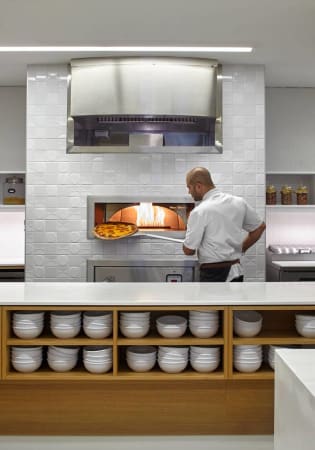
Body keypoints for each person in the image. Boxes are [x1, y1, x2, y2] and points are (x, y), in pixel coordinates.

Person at [183, 167, 266, 282]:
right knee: (234, 300)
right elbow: (260, 227)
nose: (189, 192)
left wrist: (186, 242)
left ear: (198, 186)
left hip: (213, 274)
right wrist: (241, 249)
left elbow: (189, 250)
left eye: (189, 187)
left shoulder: (199, 211)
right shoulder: (238, 202)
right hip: (236, 271)